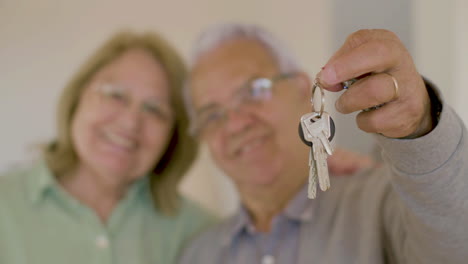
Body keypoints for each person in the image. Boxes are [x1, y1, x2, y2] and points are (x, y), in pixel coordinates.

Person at [179, 23, 468, 264]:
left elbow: (455, 245)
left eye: (254, 91)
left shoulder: (383, 202)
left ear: (302, 88)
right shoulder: (198, 254)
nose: (236, 123)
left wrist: (420, 127)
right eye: (212, 114)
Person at [0, 30, 215, 264]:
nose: (130, 122)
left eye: (154, 110)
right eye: (115, 95)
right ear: (78, 97)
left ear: (174, 135)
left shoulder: (200, 234)